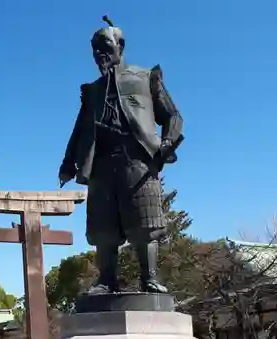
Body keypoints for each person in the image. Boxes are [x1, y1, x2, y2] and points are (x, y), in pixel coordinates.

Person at [57, 16, 183, 294]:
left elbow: (172, 115)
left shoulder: (145, 77)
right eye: (94, 49)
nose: (99, 54)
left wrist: (167, 142)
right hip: (101, 162)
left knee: (145, 223)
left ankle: (149, 277)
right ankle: (106, 280)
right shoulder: (92, 91)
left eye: (104, 46)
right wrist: (68, 162)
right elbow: (80, 129)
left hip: (137, 159)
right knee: (104, 228)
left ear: (120, 46)